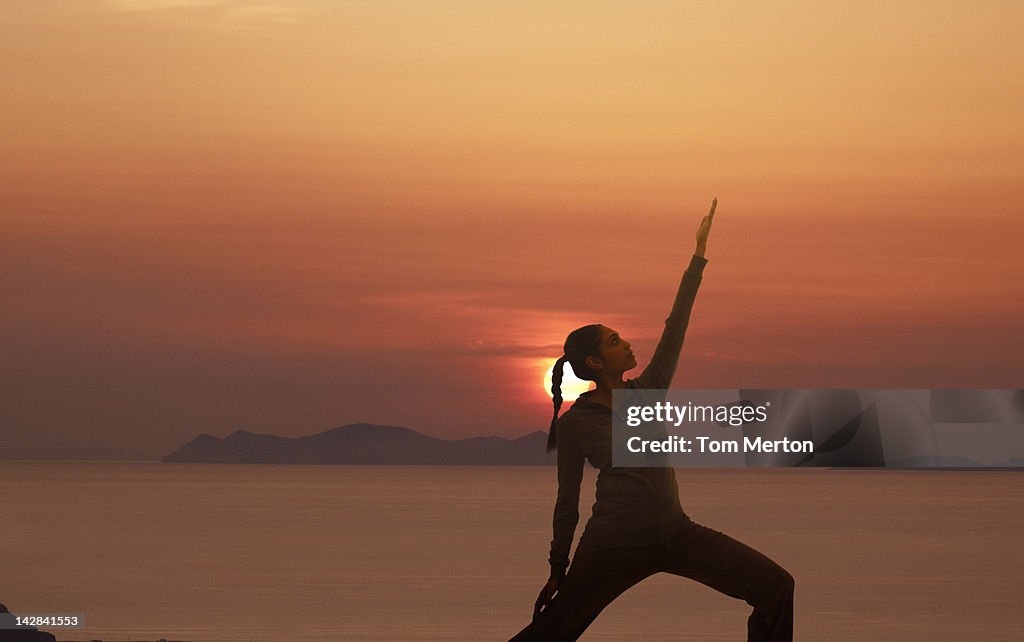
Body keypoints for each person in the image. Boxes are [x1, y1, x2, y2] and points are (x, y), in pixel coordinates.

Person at [510, 198, 794, 641]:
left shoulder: (648, 389)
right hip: (611, 545)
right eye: (614, 341)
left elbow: (675, 325)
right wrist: (557, 569)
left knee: (776, 587)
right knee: (551, 632)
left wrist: (698, 256)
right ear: (595, 360)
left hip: (678, 535)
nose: (626, 344)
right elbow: (567, 503)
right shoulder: (574, 425)